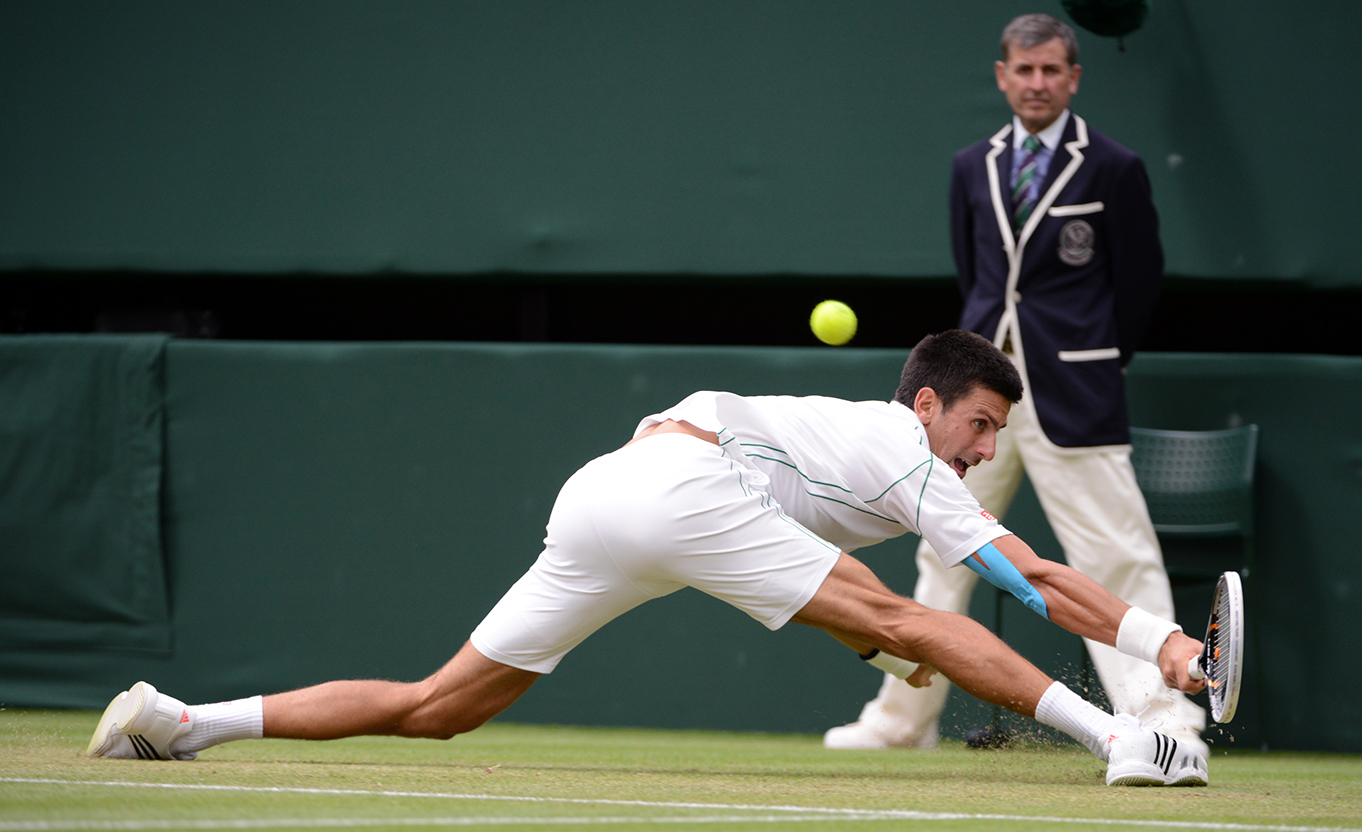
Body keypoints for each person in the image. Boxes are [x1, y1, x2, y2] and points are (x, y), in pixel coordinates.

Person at [88, 330, 1208, 787]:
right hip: (680, 488)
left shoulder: (856, 450)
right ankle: (1121, 742)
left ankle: (179, 721)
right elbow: (1033, 579)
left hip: (609, 491)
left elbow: (829, 579)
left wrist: (873, 643)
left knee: (439, 706)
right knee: (924, 619)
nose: (976, 454)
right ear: (925, 405)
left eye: (988, 443)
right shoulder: (904, 455)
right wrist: (1164, 650)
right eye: (974, 428)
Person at [823, 14, 1207, 764]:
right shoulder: (973, 164)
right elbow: (978, 276)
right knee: (942, 553)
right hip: (976, 397)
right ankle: (904, 718)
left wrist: (1095, 358)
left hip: (1077, 392)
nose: (1037, 84)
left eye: (1051, 71)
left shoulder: (1114, 165)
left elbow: (1139, 282)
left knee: (1115, 555)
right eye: (1023, 71)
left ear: (1073, 78)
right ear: (1001, 76)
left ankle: (1165, 718)